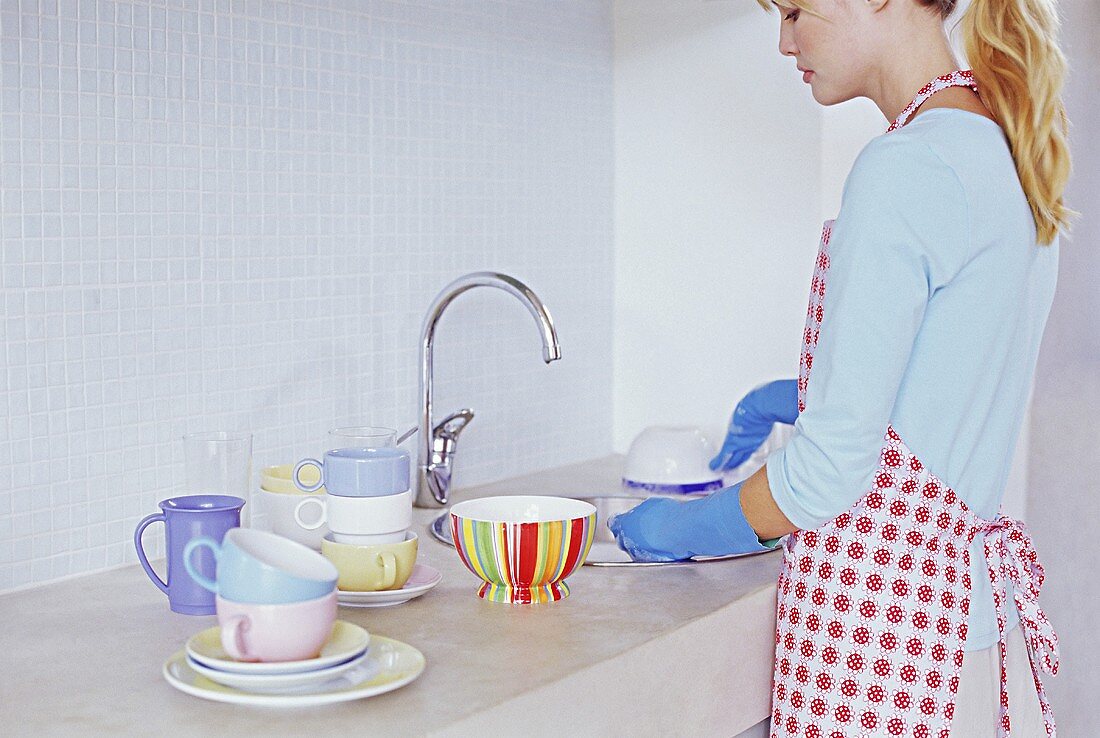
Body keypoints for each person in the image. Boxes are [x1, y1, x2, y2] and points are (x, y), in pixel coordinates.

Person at [608, 0, 1074, 735]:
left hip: (882, 647)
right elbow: (954, 383)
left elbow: (828, 474)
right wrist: (805, 396)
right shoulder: (1001, 147)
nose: (783, 40)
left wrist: (688, 527)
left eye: (796, 10)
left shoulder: (908, 165)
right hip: (963, 636)